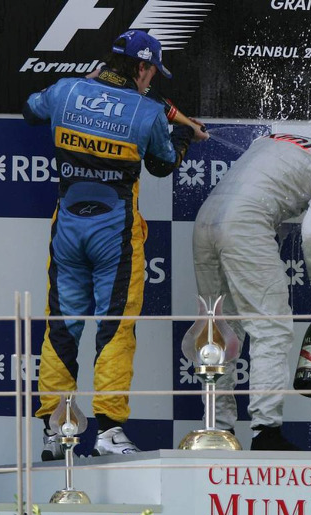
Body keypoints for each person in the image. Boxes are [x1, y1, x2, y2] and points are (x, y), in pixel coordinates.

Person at [23, 29, 205, 460]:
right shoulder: (146, 111)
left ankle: (56, 431)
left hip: (67, 228)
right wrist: (185, 137)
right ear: (141, 67)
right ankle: (108, 430)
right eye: (152, 74)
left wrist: (81, 92)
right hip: (115, 235)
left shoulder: (67, 90)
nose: (151, 82)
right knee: (115, 328)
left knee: (61, 327)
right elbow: (162, 166)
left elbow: (31, 109)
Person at [192, 133, 311, 450]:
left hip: (205, 221)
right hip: (245, 225)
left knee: (218, 331)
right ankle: (266, 433)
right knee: (270, 329)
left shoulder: (276, 141)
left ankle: (217, 434)